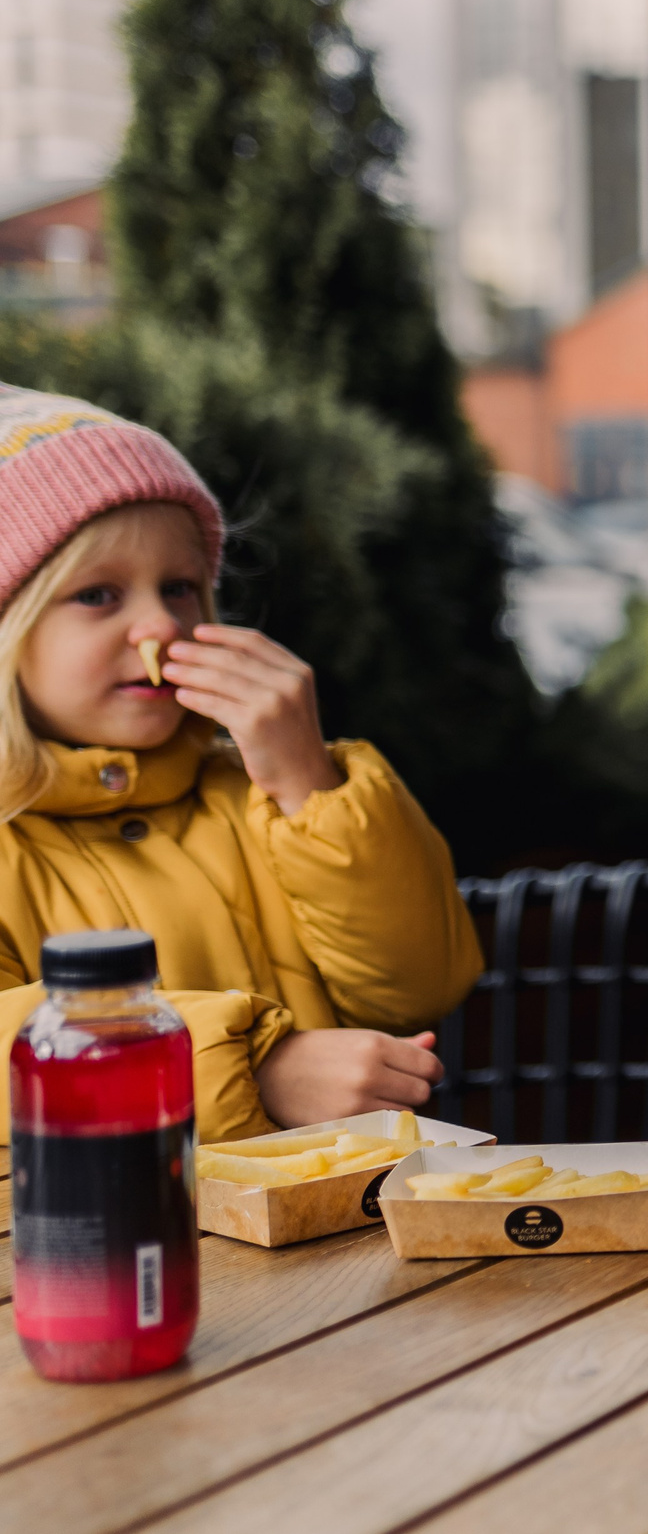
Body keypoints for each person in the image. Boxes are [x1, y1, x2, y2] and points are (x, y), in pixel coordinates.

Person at [0, 389, 482, 1144]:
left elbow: (420, 983)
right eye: (97, 594)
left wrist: (308, 782)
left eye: (181, 586)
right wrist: (257, 1068)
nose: (161, 624)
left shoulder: (267, 789)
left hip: (330, 1241)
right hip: (90, 1254)